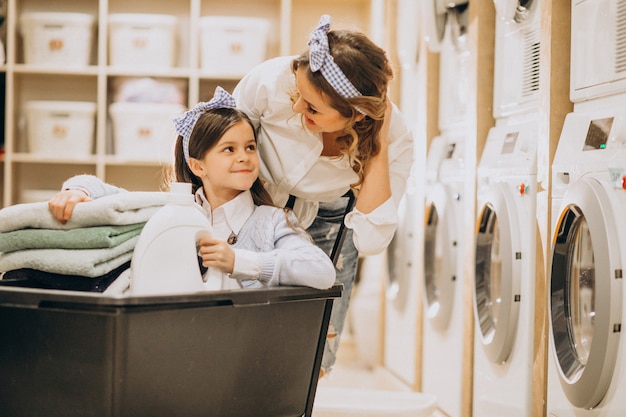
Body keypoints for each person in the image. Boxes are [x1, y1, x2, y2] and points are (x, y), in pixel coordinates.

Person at [49, 15, 414, 375]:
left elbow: (365, 243)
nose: (298, 108)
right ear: (197, 165)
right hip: (254, 193)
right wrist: (81, 189)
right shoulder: (271, 83)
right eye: (298, 96)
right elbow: (218, 137)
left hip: (326, 214)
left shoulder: (391, 140)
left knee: (311, 351)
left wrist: (377, 146)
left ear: (356, 113)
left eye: (313, 108)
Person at [48, 87, 336, 291]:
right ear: (198, 166)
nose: (244, 157)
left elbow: (321, 271)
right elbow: (117, 199)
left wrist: (240, 261)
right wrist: (77, 191)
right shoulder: (174, 214)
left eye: (250, 147)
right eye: (229, 149)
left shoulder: (271, 221)